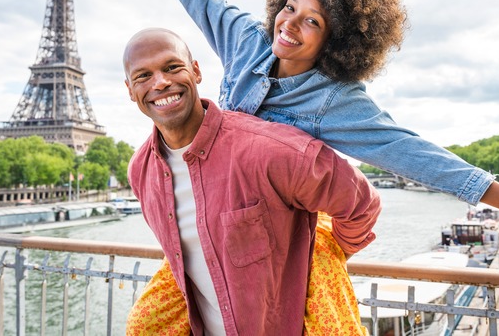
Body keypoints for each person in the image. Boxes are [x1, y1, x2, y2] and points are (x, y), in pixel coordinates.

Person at [115, 0, 499, 333]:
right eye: (289, 8)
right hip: (226, 220)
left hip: (287, 237)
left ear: (337, 38)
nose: (290, 25)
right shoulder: (247, 39)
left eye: (313, 21)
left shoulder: (336, 100)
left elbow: (425, 160)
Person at [123, 27, 381, 334]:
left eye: (171, 67)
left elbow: (361, 204)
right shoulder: (141, 171)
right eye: (143, 76)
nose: (161, 82)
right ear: (130, 90)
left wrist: (323, 255)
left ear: (195, 71)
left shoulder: (269, 149)